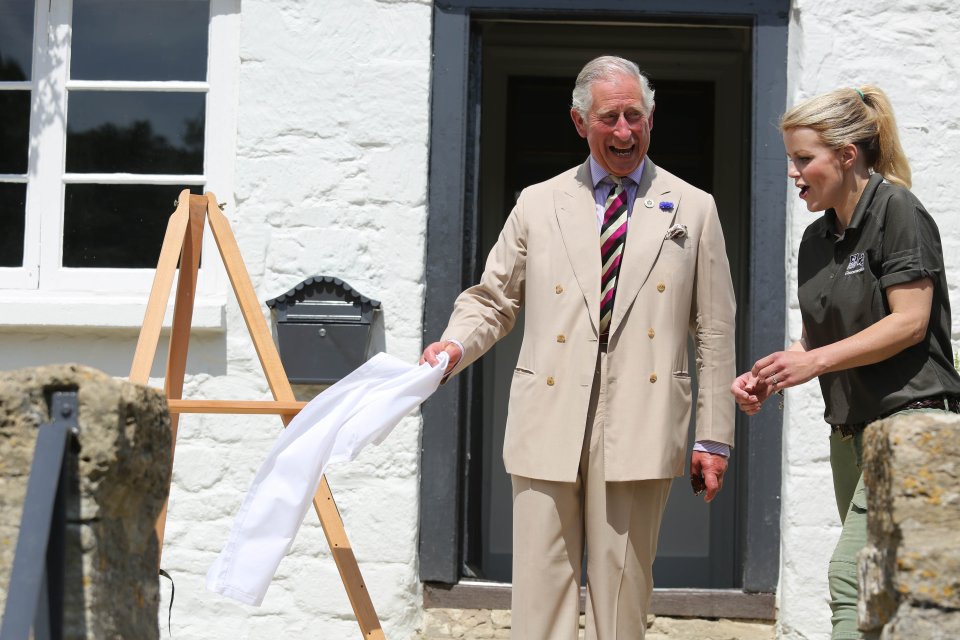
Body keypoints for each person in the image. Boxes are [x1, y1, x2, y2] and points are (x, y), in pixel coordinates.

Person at [421, 55, 737, 640]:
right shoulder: (537, 203)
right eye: (610, 118)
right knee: (541, 594)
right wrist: (452, 347)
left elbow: (714, 328)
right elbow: (493, 299)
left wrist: (714, 436)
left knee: (621, 595)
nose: (624, 132)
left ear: (651, 118)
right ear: (579, 122)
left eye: (635, 117)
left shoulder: (694, 206)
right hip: (549, 412)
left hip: (643, 418)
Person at [731, 85, 960, 639]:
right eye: (791, 159)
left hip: (911, 419)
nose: (794, 172)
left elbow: (909, 321)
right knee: (880, 587)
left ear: (847, 155)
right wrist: (775, 372)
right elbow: (820, 340)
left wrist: (816, 363)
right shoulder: (816, 239)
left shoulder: (897, 210)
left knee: (849, 580)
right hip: (849, 434)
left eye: (804, 158)